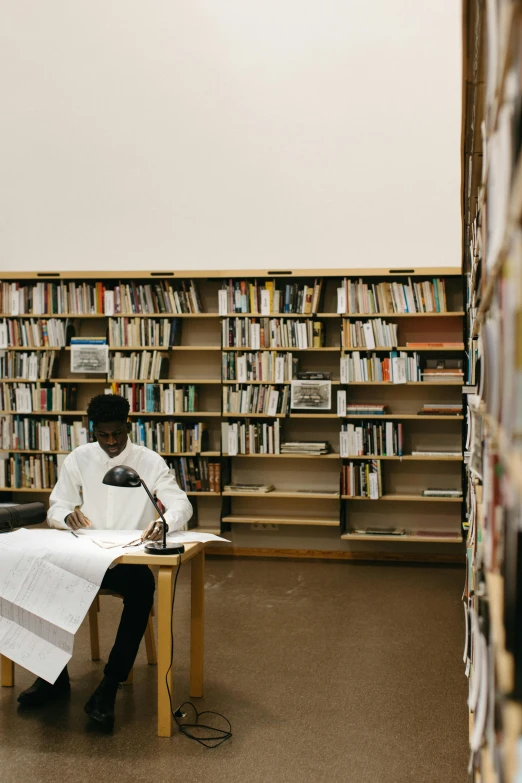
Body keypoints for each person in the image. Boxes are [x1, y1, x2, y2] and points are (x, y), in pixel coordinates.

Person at [17, 393, 193, 731]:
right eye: (103, 435)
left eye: (118, 434)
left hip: (128, 561)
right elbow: (57, 504)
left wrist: (165, 522)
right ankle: (53, 677)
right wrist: (66, 515)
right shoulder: (79, 458)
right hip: (85, 556)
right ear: (91, 431)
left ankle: (108, 686)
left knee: (143, 589)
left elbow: (181, 504)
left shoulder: (149, 460)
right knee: (40, 581)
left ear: (128, 427)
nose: (111, 443)